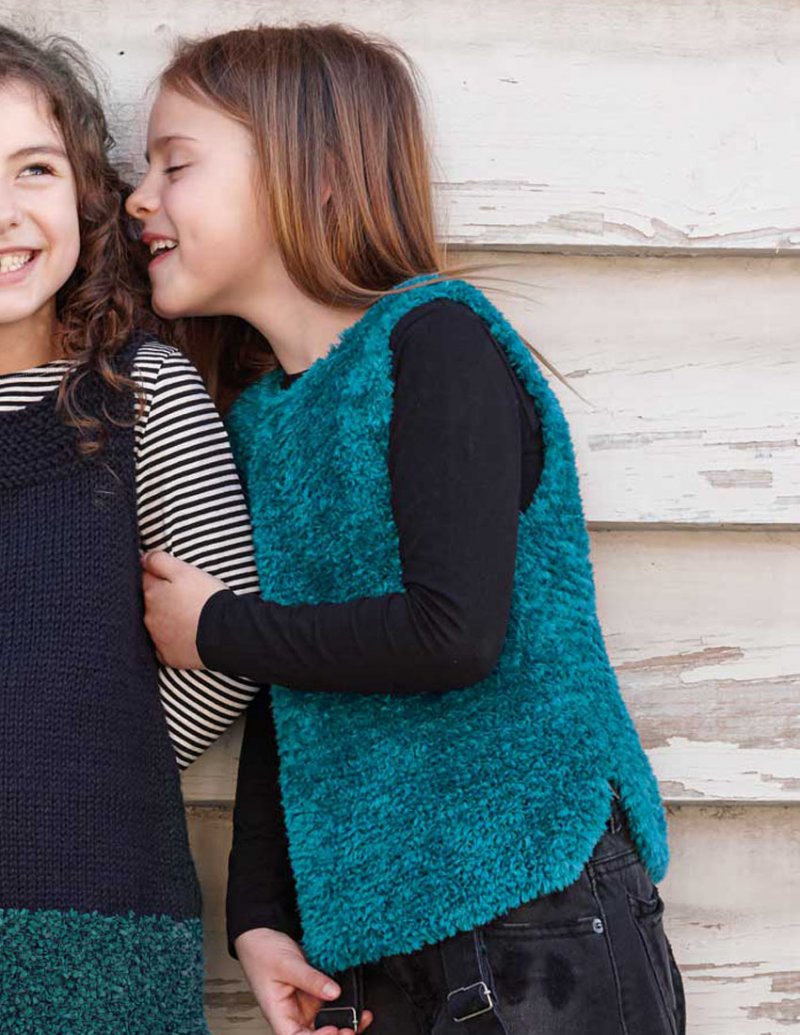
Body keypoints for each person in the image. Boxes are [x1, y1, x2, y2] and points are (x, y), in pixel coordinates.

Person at [130, 24, 686, 1035]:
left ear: (316, 177)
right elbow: (292, 691)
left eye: (176, 165)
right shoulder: (262, 420)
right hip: (380, 944)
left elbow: (453, 632)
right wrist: (260, 916)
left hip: (534, 914)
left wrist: (213, 628)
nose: (139, 198)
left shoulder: (435, 341)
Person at [0, 27, 264, 1033]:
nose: (6, 211)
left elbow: (225, 646)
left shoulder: (139, 393)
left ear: (84, 194)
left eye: (33, 168)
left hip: (97, 911)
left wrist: (86, 761)